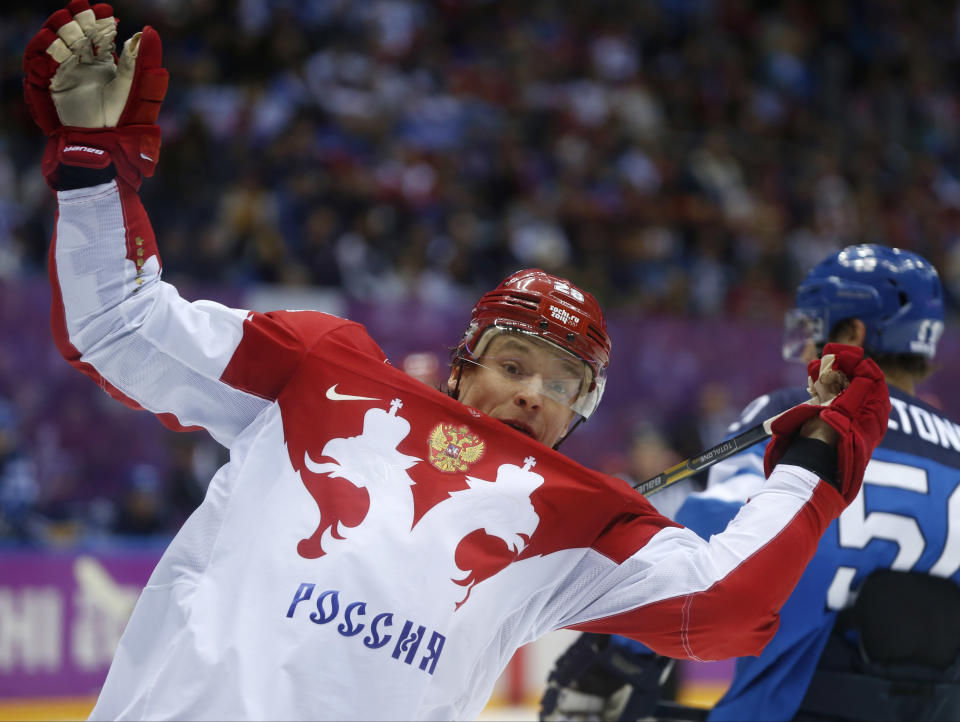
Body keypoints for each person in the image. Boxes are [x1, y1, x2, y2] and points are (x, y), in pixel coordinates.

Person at [23, 4, 890, 720]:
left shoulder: (585, 520)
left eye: (563, 385)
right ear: (463, 365)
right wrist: (96, 175)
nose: (533, 395)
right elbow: (120, 325)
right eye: (515, 363)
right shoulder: (327, 371)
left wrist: (817, 458)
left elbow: (726, 605)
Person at [541, 244, 960, 722]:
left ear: (852, 332)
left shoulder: (808, 419)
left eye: (814, 325)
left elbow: (705, 545)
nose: (805, 345)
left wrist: (613, 656)